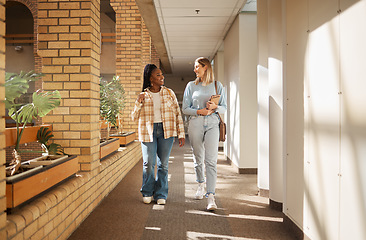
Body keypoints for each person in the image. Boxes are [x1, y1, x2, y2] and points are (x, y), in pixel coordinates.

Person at [131, 63, 185, 205]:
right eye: (158, 75)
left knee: (163, 164)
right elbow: (133, 117)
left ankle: (161, 194)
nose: (162, 77)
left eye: (162, 74)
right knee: (149, 163)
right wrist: (138, 102)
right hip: (147, 131)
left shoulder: (169, 93)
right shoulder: (144, 95)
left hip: (166, 131)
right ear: (150, 78)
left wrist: (181, 133)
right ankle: (147, 191)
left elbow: (177, 113)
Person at [182, 57, 227, 210]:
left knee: (211, 160)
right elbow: (185, 109)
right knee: (198, 157)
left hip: (213, 123)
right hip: (195, 122)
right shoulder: (191, 86)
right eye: (195, 67)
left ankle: (211, 196)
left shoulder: (217, 85)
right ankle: (200, 183)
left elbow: (224, 108)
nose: (195, 70)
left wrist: (215, 106)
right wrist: (198, 111)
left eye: (197, 67)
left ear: (206, 67)